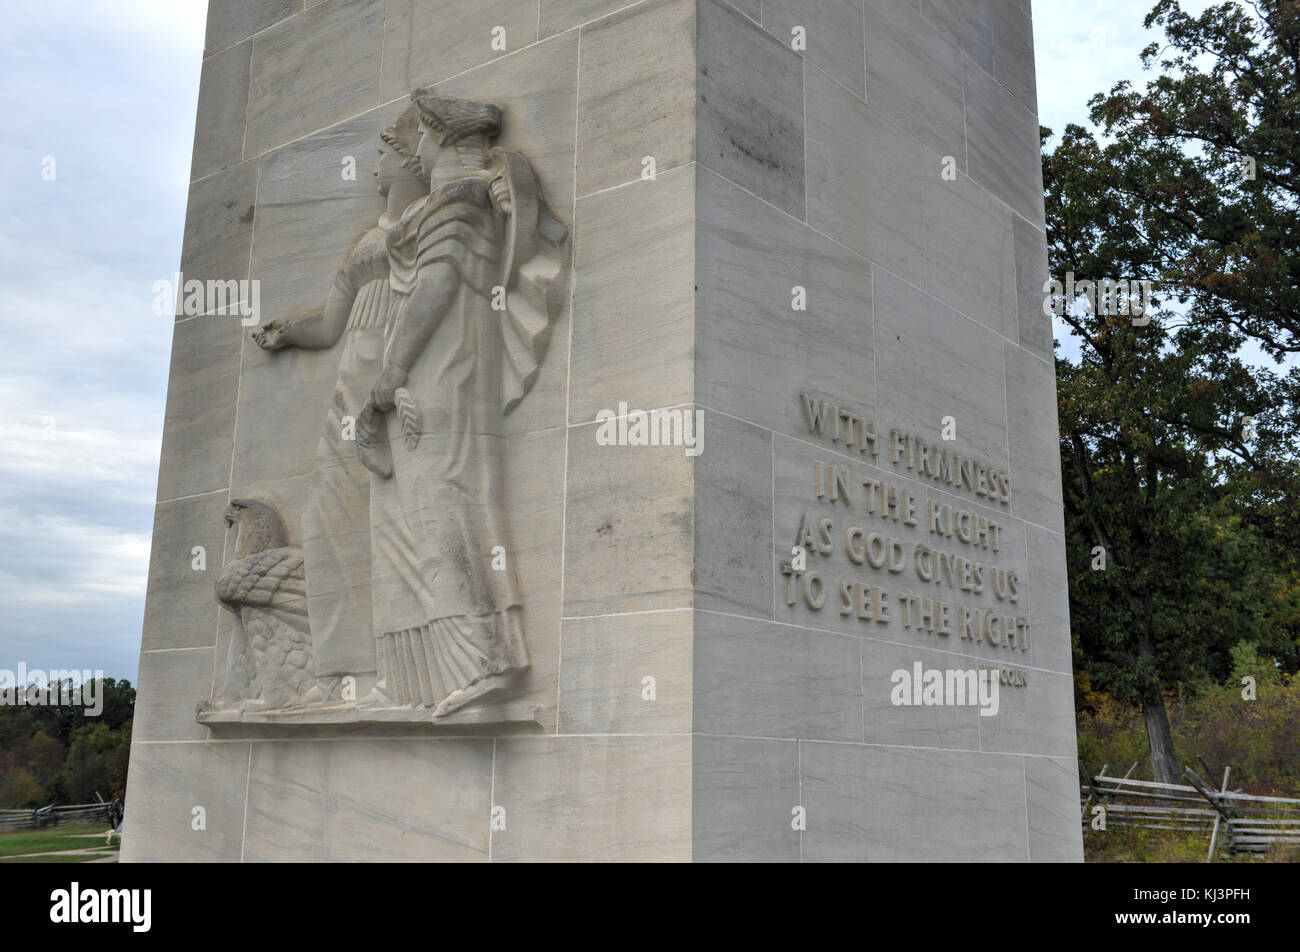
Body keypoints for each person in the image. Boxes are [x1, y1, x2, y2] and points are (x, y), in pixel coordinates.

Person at [361, 91, 567, 717]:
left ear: (442, 137)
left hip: (440, 373)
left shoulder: (458, 199)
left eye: (421, 137)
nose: (415, 150)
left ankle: (486, 658)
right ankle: (461, 662)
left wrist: (389, 372)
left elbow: (435, 285)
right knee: (438, 506)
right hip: (443, 371)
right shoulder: (465, 199)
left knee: (444, 504)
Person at [253, 104, 427, 704]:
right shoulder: (367, 241)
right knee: (325, 529)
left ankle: (395, 674)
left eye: (381, 153)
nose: (372, 167)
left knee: (384, 537)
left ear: (408, 159)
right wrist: (288, 331)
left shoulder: (432, 228)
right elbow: (330, 325)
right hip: (346, 401)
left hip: (391, 398)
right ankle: (339, 675)